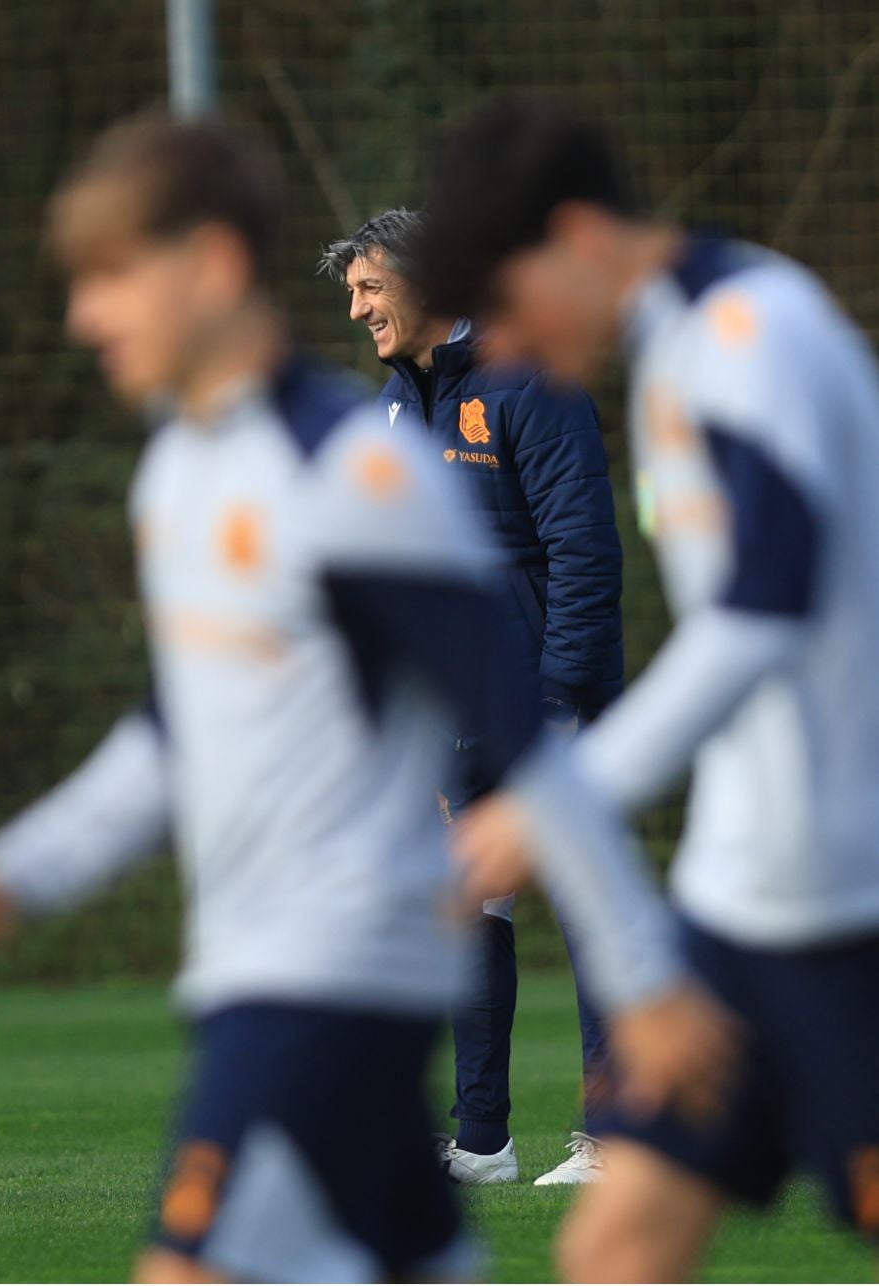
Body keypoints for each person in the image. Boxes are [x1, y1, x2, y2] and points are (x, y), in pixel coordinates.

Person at [0, 113, 738, 1284]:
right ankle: (477, 1148)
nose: (85, 315)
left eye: (112, 277)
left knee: (187, 1267)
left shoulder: (357, 474)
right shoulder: (182, 468)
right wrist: (15, 874)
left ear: (214, 266)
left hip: (326, 967)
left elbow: (525, 727)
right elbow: (178, 730)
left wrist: (642, 973)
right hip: (259, 966)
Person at [419, 93, 879, 1282]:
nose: (504, 349)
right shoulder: (676, 346)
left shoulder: (752, 338)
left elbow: (760, 618)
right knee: (617, 1246)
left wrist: (555, 792)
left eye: (508, 308)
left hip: (852, 901)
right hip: (744, 904)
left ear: (576, 238)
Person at [318, 209, 623, 1186]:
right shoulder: (393, 407)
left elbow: (584, 550)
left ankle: (618, 1138)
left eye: (370, 287)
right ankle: (482, 1142)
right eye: (352, 293)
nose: (357, 308)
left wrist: (560, 698)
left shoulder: (528, 380)